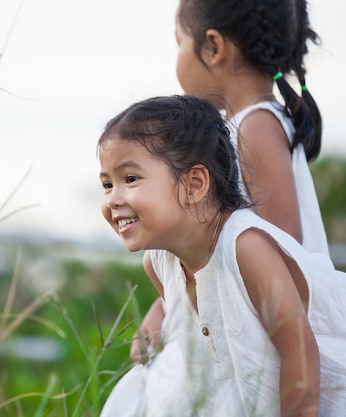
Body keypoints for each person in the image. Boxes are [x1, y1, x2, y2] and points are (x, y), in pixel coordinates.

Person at [98, 95, 346, 417]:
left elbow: (299, 351)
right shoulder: (158, 263)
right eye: (106, 184)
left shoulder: (246, 247)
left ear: (194, 184)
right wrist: (157, 315)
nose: (113, 199)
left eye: (130, 179)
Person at [132, 0, 330, 366]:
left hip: (280, 338)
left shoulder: (256, 124)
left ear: (214, 47)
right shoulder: (244, 125)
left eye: (179, 42)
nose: (177, 56)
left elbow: (280, 246)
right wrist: (165, 308)